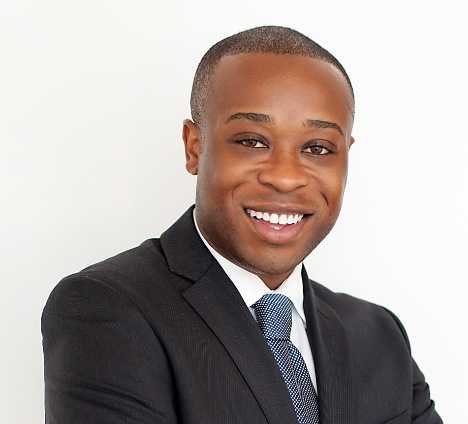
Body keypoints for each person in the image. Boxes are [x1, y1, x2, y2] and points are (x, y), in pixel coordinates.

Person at [41, 26, 443, 424]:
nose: (285, 177)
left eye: (318, 148)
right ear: (194, 147)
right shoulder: (107, 310)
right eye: (252, 141)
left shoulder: (380, 337)